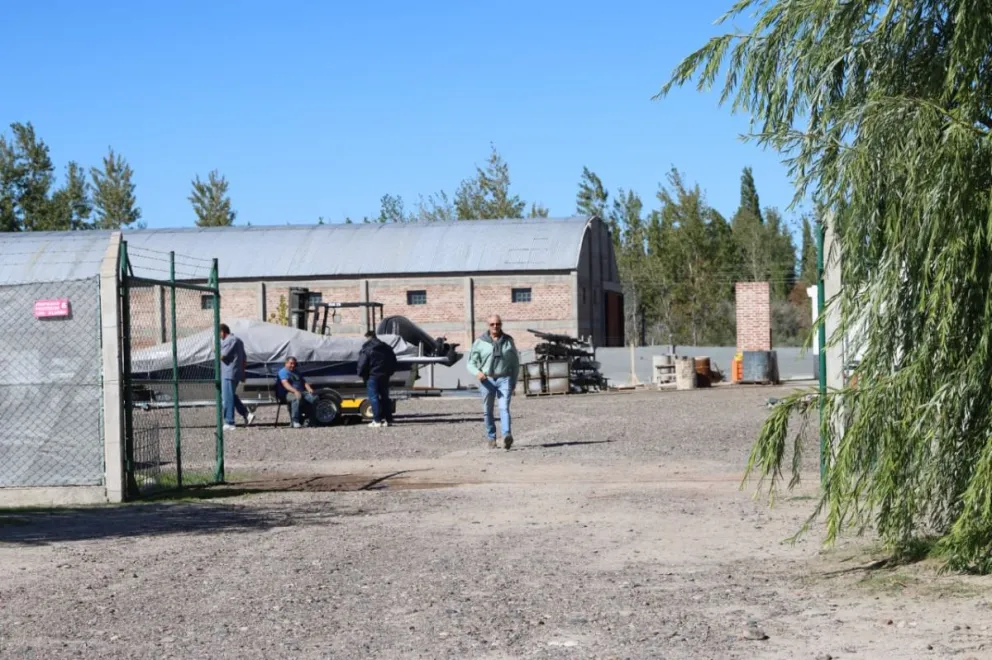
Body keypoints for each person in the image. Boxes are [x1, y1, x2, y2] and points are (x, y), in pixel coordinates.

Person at [466, 314, 520, 449]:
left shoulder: (508, 341)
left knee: (504, 408)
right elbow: (470, 363)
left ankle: (506, 436)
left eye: (498, 324)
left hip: (504, 378)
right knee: (487, 410)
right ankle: (491, 437)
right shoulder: (480, 342)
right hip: (487, 380)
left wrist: (513, 381)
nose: (495, 326)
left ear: (501, 324)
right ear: (488, 326)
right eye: (492, 324)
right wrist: (477, 373)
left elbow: (515, 363)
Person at [357, 330, 398, 428]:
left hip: (372, 376)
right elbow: (394, 361)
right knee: (385, 398)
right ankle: (388, 420)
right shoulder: (386, 347)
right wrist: (390, 372)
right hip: (385, 376)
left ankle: (377, 420)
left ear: (368, 337)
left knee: (374, 398)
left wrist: (361, 374)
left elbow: (362, 364)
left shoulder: (367, 348)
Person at [220, 323, 255, 431]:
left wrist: (215, 349)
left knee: (227, 398)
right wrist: (242, 374)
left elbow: (222, 355)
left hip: (228, 373)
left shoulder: (229, 340)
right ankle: (246, 414)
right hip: (235, 373)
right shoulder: (238, 341)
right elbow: (244, 359)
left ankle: (229, 422)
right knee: (230, 396)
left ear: (222, 332)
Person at [276, 356, 317, 429]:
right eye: (291, 363)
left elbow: (303, 382)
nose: (293, 365)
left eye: (294, 364)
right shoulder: (283, 372)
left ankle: (310, 419)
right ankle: (295, 421)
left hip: (301, 391)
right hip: (287, 393)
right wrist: (295, 391)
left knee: (314, 398)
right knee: (296, 398)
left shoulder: (296, 371)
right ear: (286, 363)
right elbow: (285, 384)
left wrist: (309, 388)